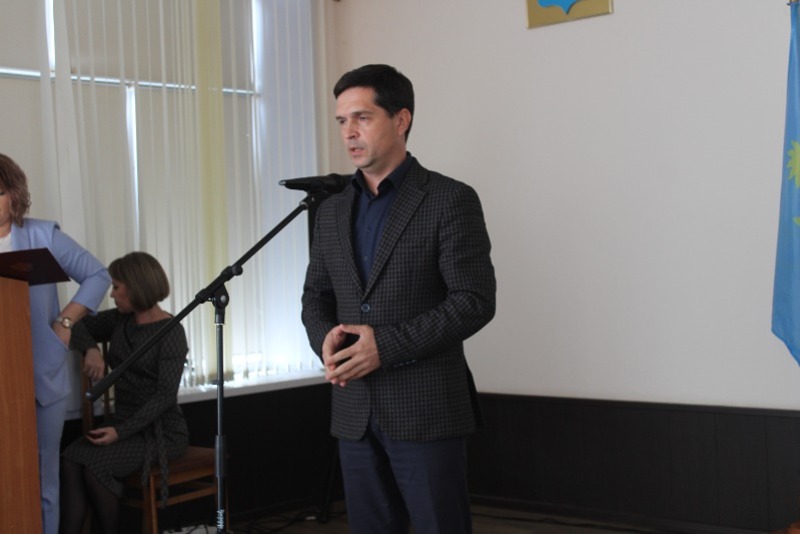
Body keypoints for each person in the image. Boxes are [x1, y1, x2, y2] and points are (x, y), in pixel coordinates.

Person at [301, 64, 497, 533]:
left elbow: (474, 300)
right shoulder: (331, 211)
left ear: (401, 119)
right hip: (353, 411)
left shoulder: (449, 199)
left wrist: (384, 347)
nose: (349, 132)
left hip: (426, 412)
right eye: (342, 121)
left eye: (362, 118)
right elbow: (315, 296)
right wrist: (325, 340)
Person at [0, 153, 111, 534]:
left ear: (14, 195)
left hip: (39, 376)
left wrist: (66, 321)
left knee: (42, 476)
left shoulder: (43, 235)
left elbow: (97, 274)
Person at [60, 251, 189, 534]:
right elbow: (75, 323)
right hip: (122, 424)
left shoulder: (171, 332)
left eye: (117, 287)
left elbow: (165, 397)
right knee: (70, 457)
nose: (112, 294)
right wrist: (91, 349)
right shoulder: (121, 320)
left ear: (136, 287)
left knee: (94, 466)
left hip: (161, 431)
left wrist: (119, 432)